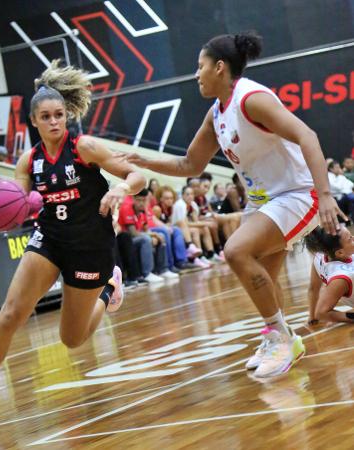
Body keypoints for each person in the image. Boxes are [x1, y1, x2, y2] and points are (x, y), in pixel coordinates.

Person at [124, 30, 344, 378]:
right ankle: (283, 341)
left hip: (299, 193)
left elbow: (307, 136)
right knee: (263, 284)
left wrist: (327, 194)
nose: (196, 74)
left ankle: (282, 338)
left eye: (200, 66)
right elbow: (189, 166)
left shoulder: (251, 99)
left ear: (220, 68)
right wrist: (144, 162)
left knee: (236, 251)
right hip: (265, 201)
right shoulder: (216, 114)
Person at [0, 59, 146, 431]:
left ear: (67, 115)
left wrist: (121, 188)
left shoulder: (84, 147)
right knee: (9, 314)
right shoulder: (28, 160)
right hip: (50, 240)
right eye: (46, 116)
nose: (55, 121)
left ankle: (108, 288)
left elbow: (136, 175)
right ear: (35, 121)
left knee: (72, 339)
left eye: (59, 114)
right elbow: (18, 208)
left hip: (90, 246)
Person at [305, 226, 354, 324]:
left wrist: (312, 316)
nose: (353, 238)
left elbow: (313, 288)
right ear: (340, 252)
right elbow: (321, 313)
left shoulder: (319, 256)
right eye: (350, 239)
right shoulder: (342, 277)